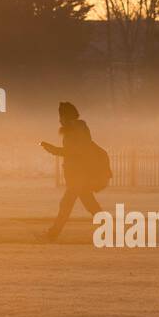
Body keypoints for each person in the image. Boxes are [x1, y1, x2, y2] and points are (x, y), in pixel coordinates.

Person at [39, 102, 108, 240]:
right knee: (90, 204)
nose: (60, 120)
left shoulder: (77, 130)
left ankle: (52, 234)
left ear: (66, 116)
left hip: (79, 174)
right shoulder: (77, 129)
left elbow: (75, 151)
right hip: (78, 174)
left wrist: (53, 150)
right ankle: (108, 229)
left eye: (61, 116)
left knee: (66, 203)